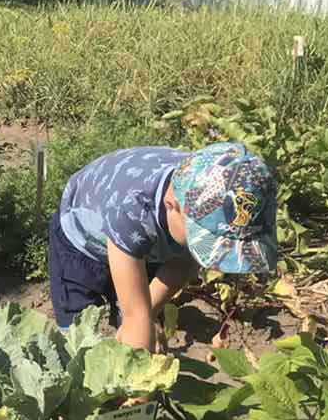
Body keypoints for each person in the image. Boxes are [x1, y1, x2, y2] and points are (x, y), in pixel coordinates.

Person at [49, 141, 278, 351]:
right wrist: (138, 371)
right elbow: (137, 318)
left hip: (148, 239)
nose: (206, 250)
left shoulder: (206, 180)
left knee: (139, 315)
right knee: (78, 322)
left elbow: (183, 264)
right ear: (172, 205)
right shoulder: (131, 210)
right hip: (82, 238)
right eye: (202, 240)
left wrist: (149, 315)